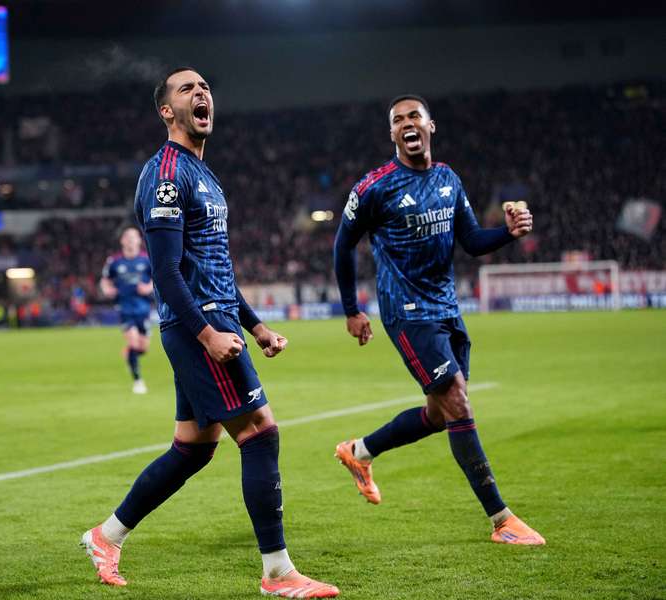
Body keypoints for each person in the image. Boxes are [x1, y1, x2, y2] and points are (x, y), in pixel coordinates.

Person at [80, 67, 339, 598]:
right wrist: (207, 334)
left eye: (205, 88)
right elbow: (167, 272)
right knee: (260, 432)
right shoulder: (166, 174)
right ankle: (277, 573)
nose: (201, 93)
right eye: (186, 89)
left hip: (217, 320)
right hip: (198, 328)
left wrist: (256, 324)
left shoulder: (205, 173)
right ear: (166, 111)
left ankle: (106, 536)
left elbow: (214, 267)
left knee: (194, 447)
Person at [332, 94, 545, 545]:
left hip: (446, 309)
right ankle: (502, 519)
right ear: (392, 134)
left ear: (431, 125)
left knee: (439, 414)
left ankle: (359, 451)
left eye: (414, 116)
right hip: (406, 312)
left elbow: (470, 240)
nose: (407, 124)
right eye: (397, 120)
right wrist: (352, 309)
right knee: (458, 403)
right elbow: (342, 244)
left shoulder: (448, 178)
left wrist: (508, 233)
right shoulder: (375, 186)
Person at [100, 227, 154, 394]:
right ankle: (138, 381)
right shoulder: (114, 261)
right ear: (122, 241)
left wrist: (148, 287)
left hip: (143, 309)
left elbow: (157, 278)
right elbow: (105, 280)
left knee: (142, 348)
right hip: (125, 308)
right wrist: (107, 289)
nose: (130, 240)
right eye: (127, 237)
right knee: (132, 341)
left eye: (134, 237)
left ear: (139, 240)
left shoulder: (146, 260)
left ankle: (131, 353)